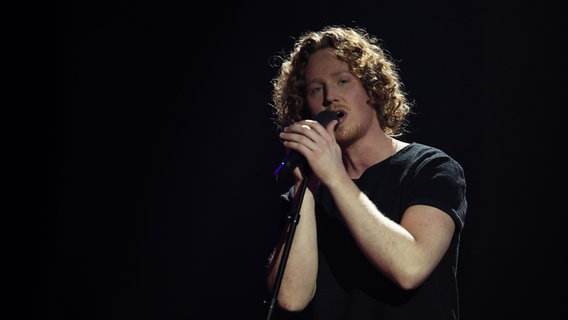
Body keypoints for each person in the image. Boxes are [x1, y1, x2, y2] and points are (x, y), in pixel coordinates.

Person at [264, 25, 467, 320]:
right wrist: (305, 188)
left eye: (343, 81)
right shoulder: (309, 189)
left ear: (373, 89)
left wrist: (335, 176)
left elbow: (409, 268)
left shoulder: (431, 168)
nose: (329, 96)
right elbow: (291, 298)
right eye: (315, 89)